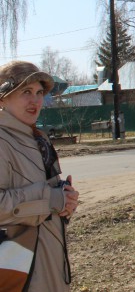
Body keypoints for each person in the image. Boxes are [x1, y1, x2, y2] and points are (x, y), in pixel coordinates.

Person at [0, 61, 78, 291]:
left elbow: (47, 196)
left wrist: (65, 200)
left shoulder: (38, 138)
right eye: (26, 92)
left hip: (48, 260)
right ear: (3, 97)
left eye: (39, 92)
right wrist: (50, 199)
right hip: (17, 271)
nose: (35, 100)